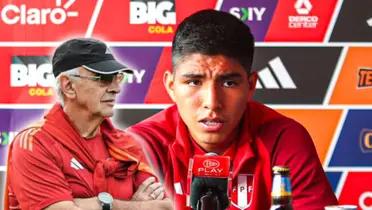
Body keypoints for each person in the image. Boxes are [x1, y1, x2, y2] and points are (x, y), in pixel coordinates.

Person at [128, 9, 338, 210]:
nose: (212, 102)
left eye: (228, 83)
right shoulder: (139, 145)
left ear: (251, 86)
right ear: (171, 86)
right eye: (194, 82)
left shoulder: (283, 138)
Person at [4, 38, 172, 210]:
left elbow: (165, 207)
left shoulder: (126, 144)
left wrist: (100, 204)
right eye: (104, 78)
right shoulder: (35, 142)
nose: (116, 88)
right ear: (68, 86)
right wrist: (131, 206)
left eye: (117, 77)